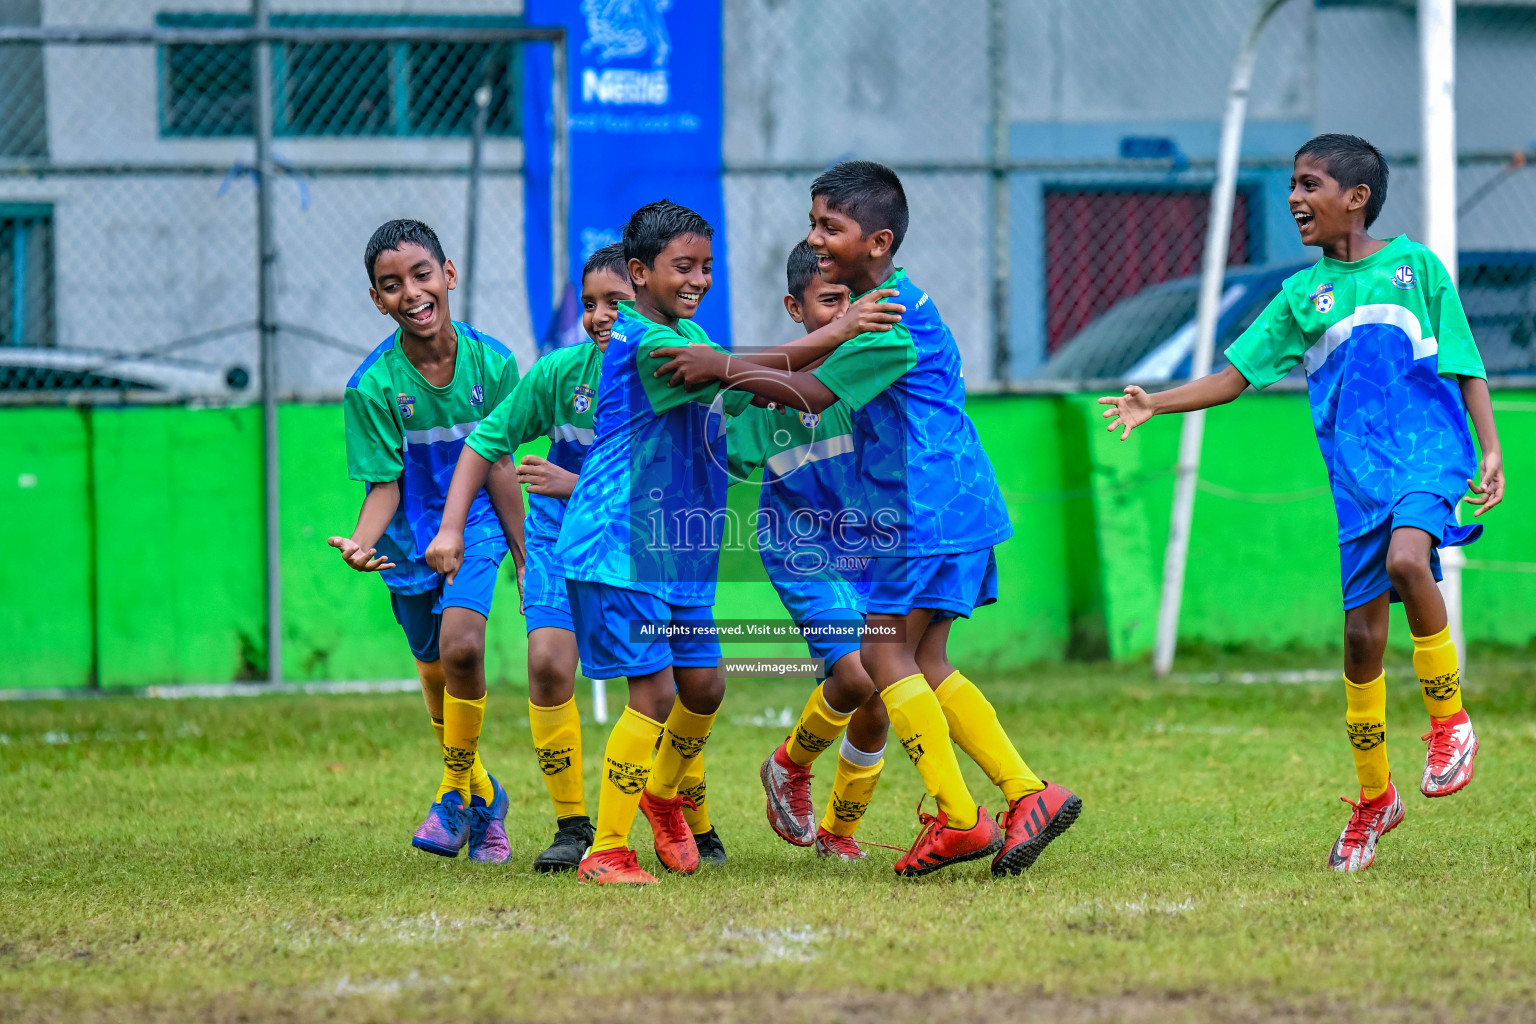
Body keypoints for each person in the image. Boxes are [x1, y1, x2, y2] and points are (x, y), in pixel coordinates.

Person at [649, 162, 1081, 878]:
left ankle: (961, 817)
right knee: (925, 662)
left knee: (884, 660)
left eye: (830, 227)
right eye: (812, 222)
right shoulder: (889, 302)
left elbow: (810, 389)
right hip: (958, 503)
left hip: (918, 508)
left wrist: (716, 364)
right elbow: (804, 368)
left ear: (877, 241)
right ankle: (1025, 793)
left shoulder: (884, 316)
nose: (814, 237)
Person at [1099, 134, 1504, 872]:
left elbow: (1464, 361)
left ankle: (1449, 722)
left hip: (1427, 457)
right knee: (1360, 647)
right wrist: (1154, 404)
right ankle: (1376, 799)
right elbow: (1232, 377)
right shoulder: (1298, 297)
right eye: (1291, 184)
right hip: (1356, 482)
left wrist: (1491, 445)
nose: (1293, 198)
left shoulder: (1417, 268)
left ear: (1356, 197)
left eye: (1308, 183)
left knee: (1411, 560)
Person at [330, 218, 525, 864]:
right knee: (437, 672)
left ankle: (449, 794)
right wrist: (362, 542)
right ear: (377, 300)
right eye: (391, 285)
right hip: (408, 543)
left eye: (421, 275)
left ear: (449, 274)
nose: (410, 293)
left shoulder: (494, 363)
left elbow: (499, 465)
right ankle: (484, 797)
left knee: (463, 645)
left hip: (475, 527)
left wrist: (525, 557)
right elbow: (383, 486)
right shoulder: (372, 387)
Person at [726, 241, 889, 861]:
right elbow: (715, 439)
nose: (846, 312)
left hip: (873, 549)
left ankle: (839, 835)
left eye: (853, 298)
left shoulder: (877, 375)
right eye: (829, 302)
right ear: (796, 308)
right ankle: (789, 764)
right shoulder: (770, 391)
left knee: (881, 699)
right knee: (857, 671)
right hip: (799, 547)